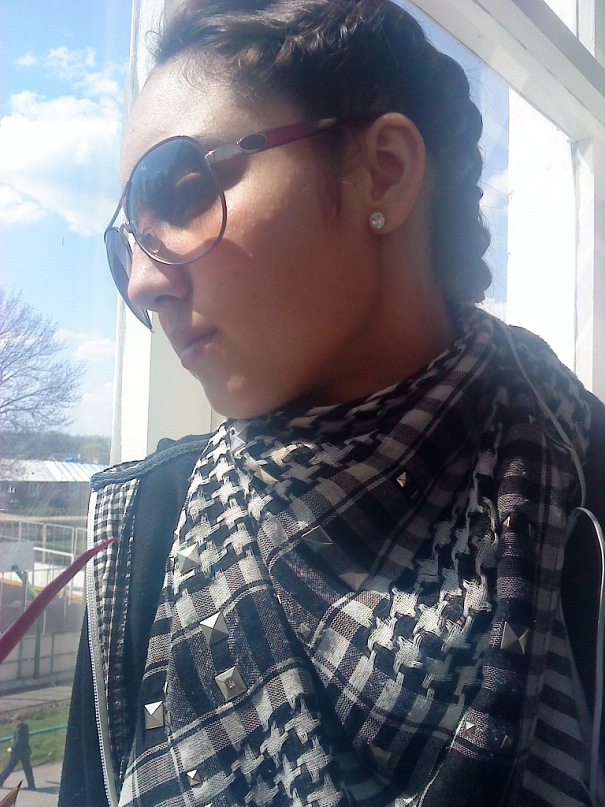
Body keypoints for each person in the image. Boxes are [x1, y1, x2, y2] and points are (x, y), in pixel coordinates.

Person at [59, 1, 605, 805]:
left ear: (380, 171)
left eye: (182, 193)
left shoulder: (586, 483)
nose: (142, 283)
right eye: (127, 245)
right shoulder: (145, 531)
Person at [0, 715, 35, 792]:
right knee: (27, 768)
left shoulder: (19, 730)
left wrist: (11, 748)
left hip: (17, 752)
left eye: (14, 721)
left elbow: (18, 741)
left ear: (19, 721)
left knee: (9, 767)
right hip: (25, 751)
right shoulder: (25, 727)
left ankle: (0, 781)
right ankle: (31, 785)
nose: (13, 723)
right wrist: (14, 738)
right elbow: (22, 738)